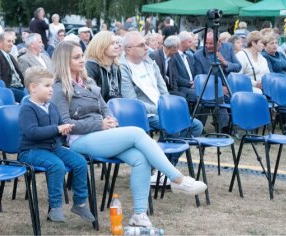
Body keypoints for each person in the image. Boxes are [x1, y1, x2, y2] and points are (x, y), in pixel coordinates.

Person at [51, 41, 207, 228]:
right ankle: (177, 179)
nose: (82, 60)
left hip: (102, 135)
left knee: (141, 159)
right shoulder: (59, 89)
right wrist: (100, 123)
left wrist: (110, 119)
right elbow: (66, 124)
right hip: (79, 140)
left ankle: (139, 214)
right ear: (63, 61)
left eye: (82, 55)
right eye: (76, 57)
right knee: (137, 133)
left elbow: (104, 107)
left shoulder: (88, 82)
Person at [18, 66, 95, 223]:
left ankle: (80, 203)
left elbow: (59, 126)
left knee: (80, 162)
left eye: (52, 86)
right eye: (47, 86)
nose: (51, 90)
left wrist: (64, 130)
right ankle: (55, 207)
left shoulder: (52, 106)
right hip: (31, 151)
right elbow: (32, 132)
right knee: (57, 166)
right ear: (33, 88)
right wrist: (56, 129)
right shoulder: (27, 108)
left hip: (53, 148)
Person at [120, 31, 203, 135]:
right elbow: (133, 103)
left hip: (161, 109)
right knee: (175, 126)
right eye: (141, 45)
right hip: (145, 114)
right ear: (128, 50)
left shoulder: (150, 63)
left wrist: (167, 106)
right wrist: (159, 109)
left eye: (146, 43)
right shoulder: (123, 68)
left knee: (196, 126)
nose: (146, 47)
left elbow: (163, 89)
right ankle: (164, 148)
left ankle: (165, 150)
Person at [0, 32, 25, 102]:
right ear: (0, 43)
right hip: (8, 89)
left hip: (20, 87)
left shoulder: (10, 57)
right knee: (27, 97)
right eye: (8, 41)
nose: (11, 44)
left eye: (12, 41)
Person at [85, 31, 122, 102]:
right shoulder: (91, 66)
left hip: (116, 108)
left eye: (117, 43)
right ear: (101, 46)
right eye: (112, 43)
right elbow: (92, 97)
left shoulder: (116, 67)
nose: (117, 46)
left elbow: (119, 94)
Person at [171, 31, 196, 101]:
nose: (192, 44)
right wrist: (190, 84)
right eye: (190, 42)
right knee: (199, 94)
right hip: (182, 88)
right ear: (182, 42)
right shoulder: (173, 56)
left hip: (194, 86)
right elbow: (176, 77)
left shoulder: (189, 57)